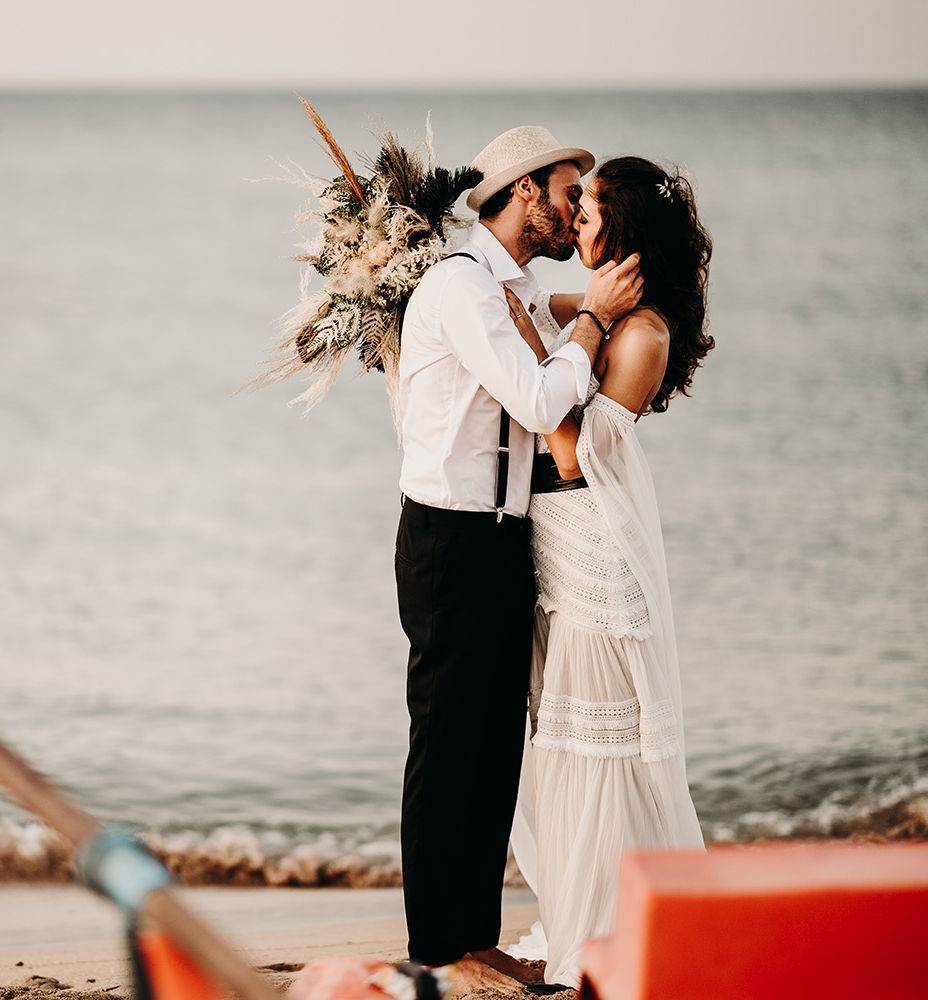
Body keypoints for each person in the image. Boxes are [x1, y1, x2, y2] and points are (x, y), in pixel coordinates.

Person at [394, 127, 643, 997]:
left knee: (499, 741)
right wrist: (600, 319)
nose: (575, 208)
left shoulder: (518, 288)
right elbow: (540, 397)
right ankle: (436, 947)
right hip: (450, 540)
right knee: (447, 738)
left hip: (506, 536)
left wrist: (604, 306)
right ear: (525, 192)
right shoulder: (463, 286)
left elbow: (556, 331)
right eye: (568, 191)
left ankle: (477, 935)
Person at [505, 155, 714, 989]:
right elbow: (543, 304)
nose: (576, 221)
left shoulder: (644, 336)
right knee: (560, 741)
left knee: (595, 749)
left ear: (622, 228)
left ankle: (607, 933)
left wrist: (526, 345)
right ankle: (580, 920)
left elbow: (568, 454)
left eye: (588, 211)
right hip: (561, 552)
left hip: (594, 553)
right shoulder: (605, 312)